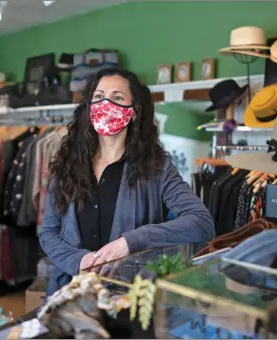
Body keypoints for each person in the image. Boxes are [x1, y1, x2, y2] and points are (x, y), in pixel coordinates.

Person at [39, 68, 215, 295]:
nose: (106, 104)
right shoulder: (67, 165)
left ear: (133, 112)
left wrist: (130, 242)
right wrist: (78, 260)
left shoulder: (157, 167)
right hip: (70, 295)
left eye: (117, 98)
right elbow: (48, 233)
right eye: (99, 96)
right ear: (90, 107)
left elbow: (202, 223)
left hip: (130, 298)